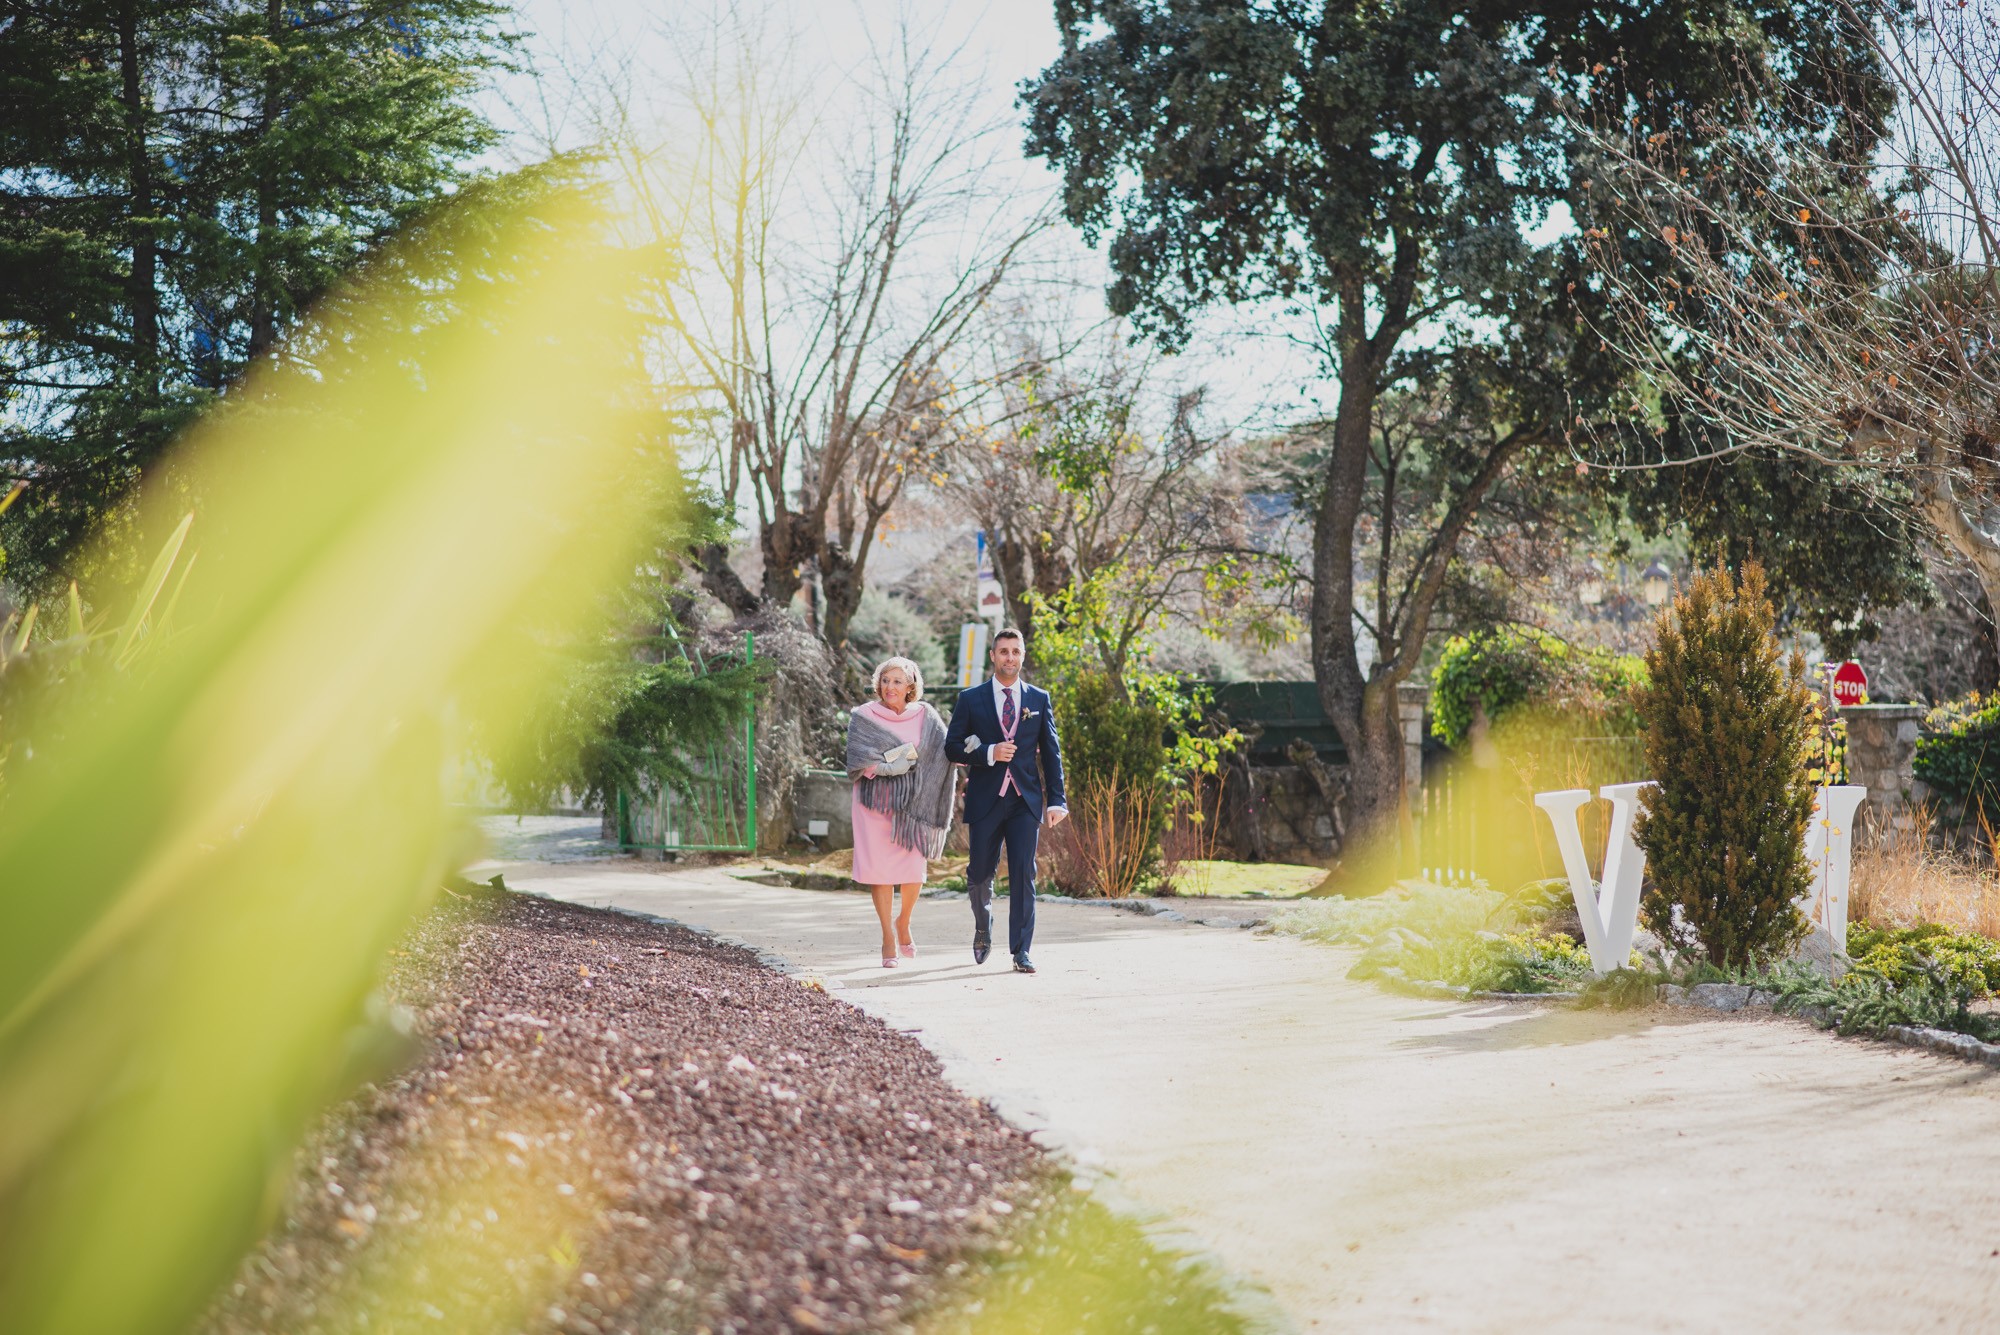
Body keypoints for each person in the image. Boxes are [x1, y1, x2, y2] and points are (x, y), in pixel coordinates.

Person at [943, 627, 1066, 973]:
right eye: (1003, 651)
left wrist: (1057, 801)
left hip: (1025, 800)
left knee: (1024, 874)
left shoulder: (1039, 699)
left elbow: (1052, 755)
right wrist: (988, 752)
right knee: (980, 872)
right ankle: (983, 926)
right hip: (985, 799)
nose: (1009, 657)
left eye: (1015, 651)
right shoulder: (971, 699)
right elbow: (951, 747)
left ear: (1022, 656)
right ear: (993, 656)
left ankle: (1021, 951)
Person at [845, 657, 954, 967]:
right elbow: (856, 758)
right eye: (885, 680)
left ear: (911, 686)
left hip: (912, 808)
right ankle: (887, 936)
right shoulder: (864, 715)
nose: (889, 686)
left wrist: (966, 753)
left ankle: (903, 921)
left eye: (896, 681)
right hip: (874, 804)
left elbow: (943, 754)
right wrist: (884, 767)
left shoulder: (926, 715)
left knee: (912, 871)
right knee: (879, 873)